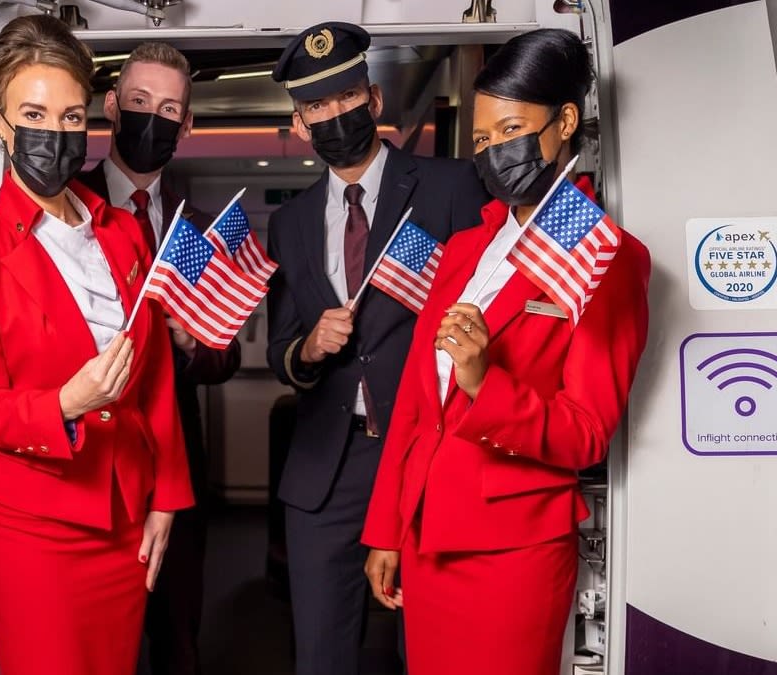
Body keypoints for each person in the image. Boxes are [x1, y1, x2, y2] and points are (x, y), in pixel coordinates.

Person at [361, 28, 651, 674]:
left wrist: (482, 379)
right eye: (485, 140)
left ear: (564, 122)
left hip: (512, 554)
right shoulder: (466, 247)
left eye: (513, 128)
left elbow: (585, 434)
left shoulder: (604, 258)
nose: (497, 152)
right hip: (428, 538)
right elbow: (414, 401)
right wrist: (387, 529)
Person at [0, 15, 194, 675]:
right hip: (33, 527)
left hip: (124, 517)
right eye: (34, 113)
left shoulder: (123, 236)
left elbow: (157, 374)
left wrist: (166, 493)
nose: (55, 132)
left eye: (71, 116)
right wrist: (66, 403)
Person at [265, 21, 490, 675]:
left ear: (374, 100)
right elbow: (283, 344)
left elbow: (482, 309)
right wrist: (308, 346)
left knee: (431, 649)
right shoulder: (290, 222)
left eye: (344, 97)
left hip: (426, 455)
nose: (334, 115)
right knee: (321, 657)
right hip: (324, 475)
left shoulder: (451, 187)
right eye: (316, 107)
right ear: (301, 124)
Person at [79, 42, 242, 675]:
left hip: (178, 467)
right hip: (90, 461)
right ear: (113, 107)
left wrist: (190, 343)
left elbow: (223, 361)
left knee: (178, 639)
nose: (155, 118)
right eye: (141, 103)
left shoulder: (197, 228)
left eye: (171, 108)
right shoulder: (68, 203)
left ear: (188, 125)